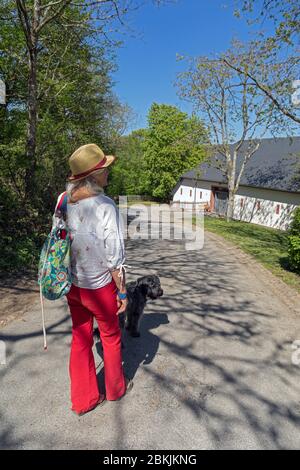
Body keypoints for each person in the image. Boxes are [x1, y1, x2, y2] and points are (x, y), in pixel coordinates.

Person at [64, 143, 132, 416]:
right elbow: (114, 255)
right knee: (111, 337)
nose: (108, 173)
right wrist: (123, 292)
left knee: (81, 338)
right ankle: (115, 390)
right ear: (93, 176)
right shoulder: (105, 205)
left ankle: (84, 399)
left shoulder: (64, 201)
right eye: (105, 169)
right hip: (99, 286)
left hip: (73, 285)